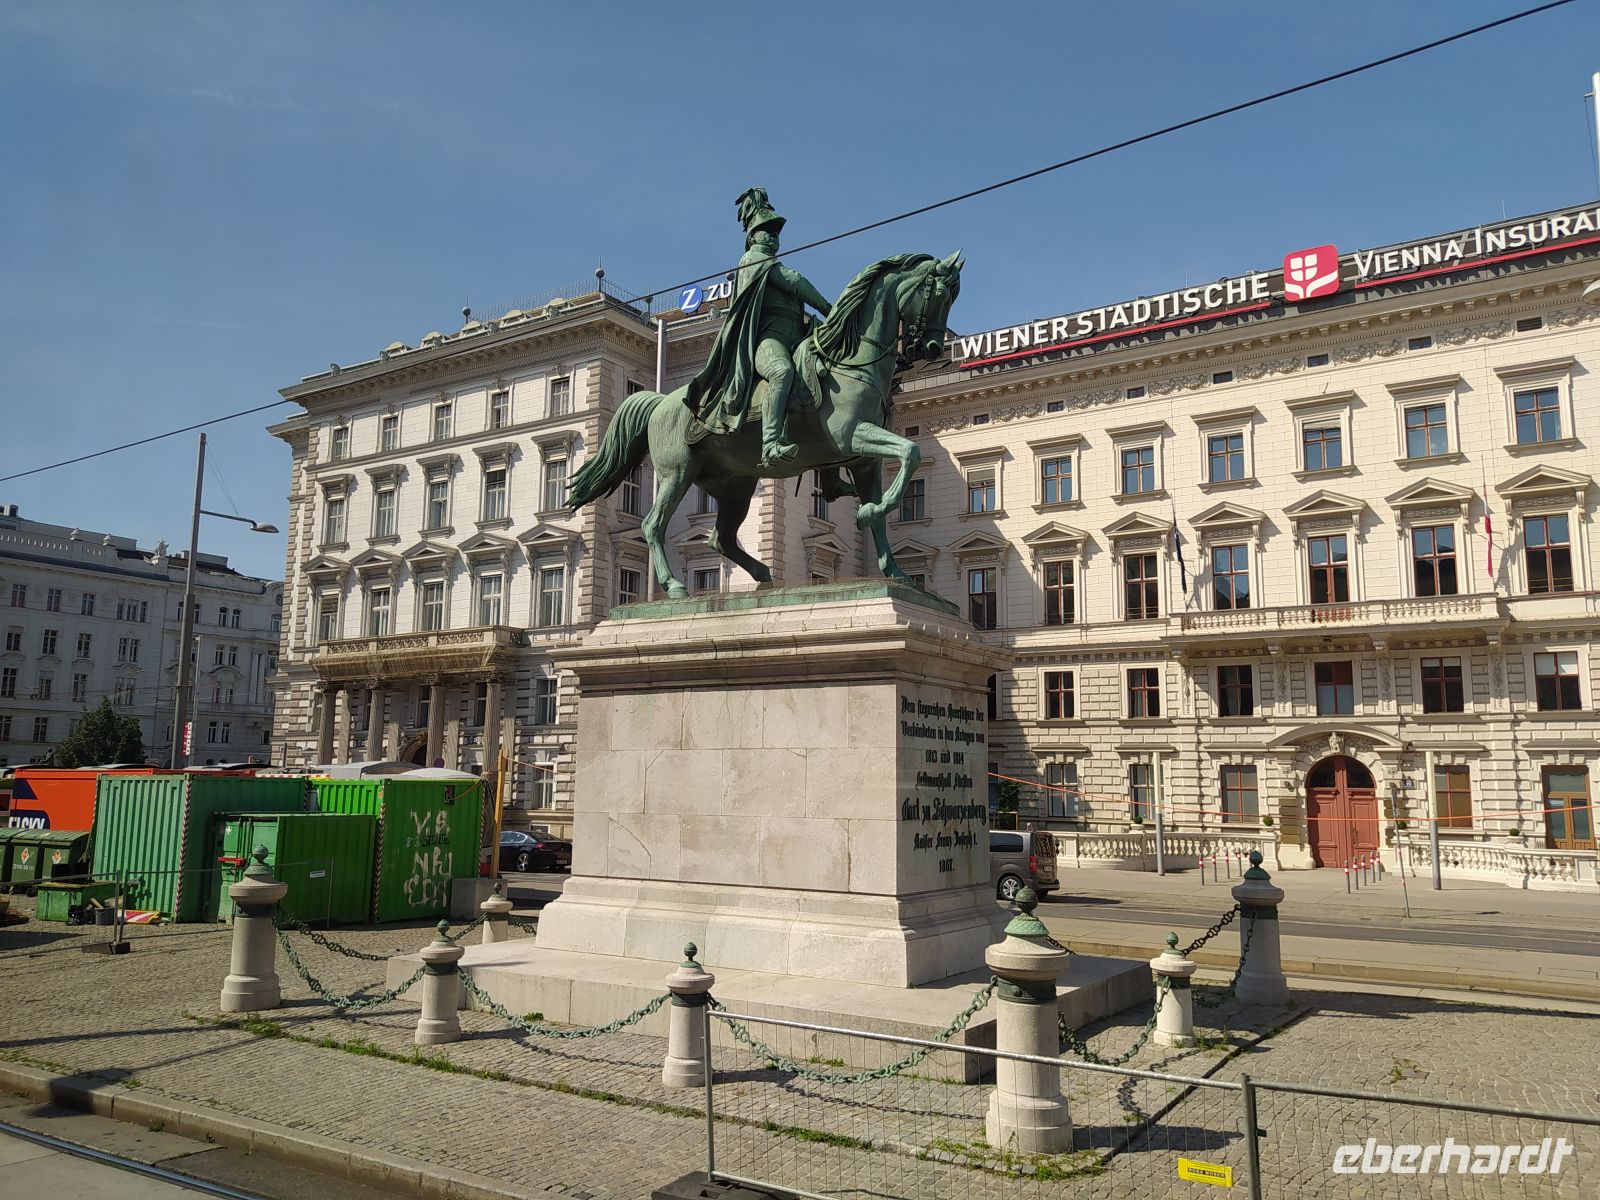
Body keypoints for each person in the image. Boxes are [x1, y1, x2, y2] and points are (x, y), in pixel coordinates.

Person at [685, 188, 833, 469]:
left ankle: (829, 470)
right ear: (752, 236)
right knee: (781, 372)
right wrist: (828, 308)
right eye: (767, 231)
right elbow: (794, 281)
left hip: (794, 340)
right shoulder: (753, 260)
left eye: (776, 232)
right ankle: (771, 444)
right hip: (767, 341)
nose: (773, 236)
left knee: (825, 381)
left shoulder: (771, 264)